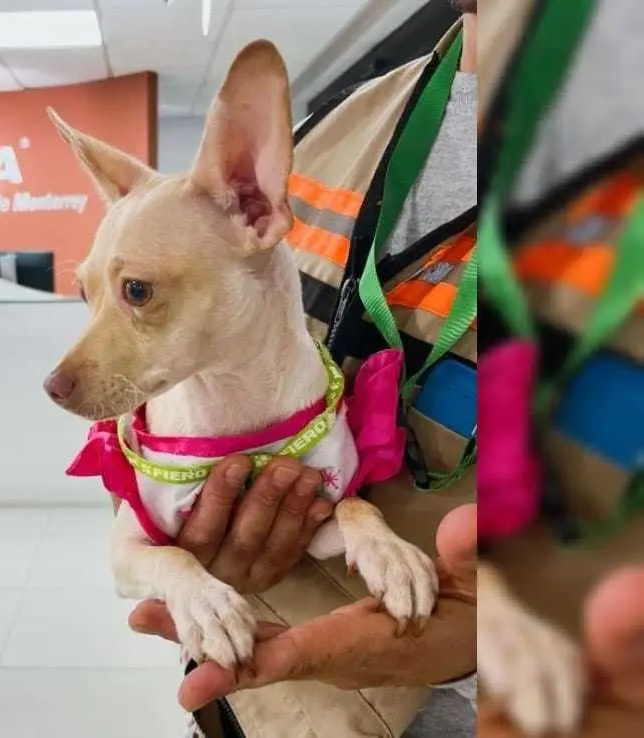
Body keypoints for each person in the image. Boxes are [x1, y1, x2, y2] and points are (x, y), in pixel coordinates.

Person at [133, 0, 644, 735]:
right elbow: (187, 367)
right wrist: (176, 518)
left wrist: (472, 646)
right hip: (258, 702)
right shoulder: (325, 132)